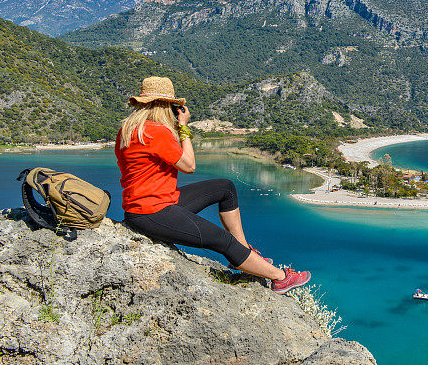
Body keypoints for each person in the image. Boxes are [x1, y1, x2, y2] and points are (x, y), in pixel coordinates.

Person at [115, 76, 310, 294]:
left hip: (152, 205)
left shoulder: (129, 130)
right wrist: (183, 128)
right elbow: (189, 165)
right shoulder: (155, 132)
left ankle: (244, 250)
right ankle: (280, 278)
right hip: (153, 213)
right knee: (222, 240)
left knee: (225, 188)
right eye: (172, 106)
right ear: (164, 105)